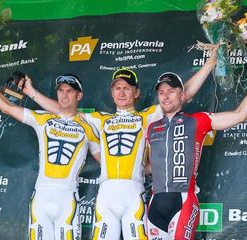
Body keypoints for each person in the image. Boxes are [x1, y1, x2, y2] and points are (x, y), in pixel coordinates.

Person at [21, 45, 218, 240]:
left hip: (134, 192)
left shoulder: (146, 116)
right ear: (112, 92)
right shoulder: (100, 119)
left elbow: (185, 94)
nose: (121, 93)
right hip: (106, 193)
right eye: (117, 88)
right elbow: (64, 110)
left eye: (126, 88)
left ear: (136, 92)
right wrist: (31, 93)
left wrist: (209, 65)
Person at [0, 65, 100, 240]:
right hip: (41, 197)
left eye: (70, 91)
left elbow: (107, 161)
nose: (64, 94)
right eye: (61, 90)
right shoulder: (43, 119)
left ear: (79, 95)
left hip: (67, 200)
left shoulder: (89, 128)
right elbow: (6, 106)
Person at [146, 68, 247, 240]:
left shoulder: (197, 120)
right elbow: (148, 166)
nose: (165, 96)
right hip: (155, 203)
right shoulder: (151, 127)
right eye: (161, 92)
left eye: (171, 91)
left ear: (182, 95)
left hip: (183, 200)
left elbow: (241, 115)